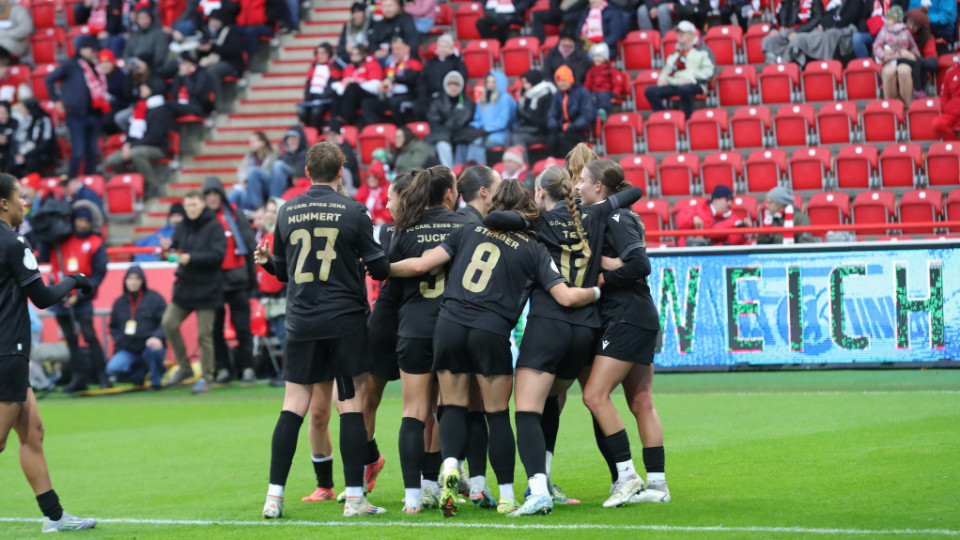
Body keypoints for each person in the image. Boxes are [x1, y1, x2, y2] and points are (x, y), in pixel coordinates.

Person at [388, 177, 601, 517]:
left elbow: (420, 265)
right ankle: (505, 495)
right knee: (497, 414)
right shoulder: (533, 246)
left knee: (452, 406)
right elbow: (564, 296)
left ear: (495, 204)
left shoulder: (467, 231)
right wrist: (596, 290)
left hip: (449, 324)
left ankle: (451, 464)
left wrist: (375, 267)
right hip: (490, 330)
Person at [481, 164, 642, 514]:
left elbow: (494, 220)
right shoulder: (594, 215)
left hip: (549, 323)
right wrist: (603, 203)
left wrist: (526, 215)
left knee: (526, 409)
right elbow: (635, 192)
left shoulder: (538, 221)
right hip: (585, 330)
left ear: (541, 193)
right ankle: (557, 479)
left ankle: (538, 489)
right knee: (552, 399)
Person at [255, 141, 391, 519]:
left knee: (292, 406)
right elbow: (380, 269)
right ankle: (354, 499)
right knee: (351, 406)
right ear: (341, 171)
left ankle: (273, 499)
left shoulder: (287, 210)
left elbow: (283, 273)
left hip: (301, 321)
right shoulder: (354, 210)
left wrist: (265, 263)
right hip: (345, 321)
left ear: (307, 173)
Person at [0, 173, 98, 533]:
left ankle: (55, 517)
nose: (25, 204)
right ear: (3, 204)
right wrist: (76, 280)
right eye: (20, 197)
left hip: (7, 352)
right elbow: (41, 298)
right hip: (8, 350)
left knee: (33, 433)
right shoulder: (13, 243)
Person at [575, 160, 667, 508]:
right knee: (641, 401)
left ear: (599, 186)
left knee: (594, 395)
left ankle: (627, 476)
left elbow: (641, 265)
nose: (577, 187)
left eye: (582, 180)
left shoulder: (615, 217)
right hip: (639, 315)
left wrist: (604, 275)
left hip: (627, 316)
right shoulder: (614, 215)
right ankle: (657, 484)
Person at [388, 166, 473, 513]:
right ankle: (447, 477)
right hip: (454, 326)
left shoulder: (404, 229)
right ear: (449, 193)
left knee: (414, 412)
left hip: (414, 327)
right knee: (451, 407)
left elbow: (392, 285)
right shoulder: (466, 226)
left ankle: (413, 497)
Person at [161, 190, 227, 393]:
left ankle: (206, 378)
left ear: (202, 204)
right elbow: (175, 252)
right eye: (188, 205)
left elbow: (218, 255)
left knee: (204, 336)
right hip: (185, 287)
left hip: (208, 288)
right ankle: (185, 368)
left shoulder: (215, 226)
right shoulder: (181, 226)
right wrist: (167, 251)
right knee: (168, 323)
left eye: (194, 205)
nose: (191, 209)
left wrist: (191, 258)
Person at [40, 207, 109, 393]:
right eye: (79, 220)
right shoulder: (59, 240)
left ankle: (102, 375)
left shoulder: (95, 243)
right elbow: (43, 255)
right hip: (60, 296)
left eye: (86, 221)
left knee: (89, 336)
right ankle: (78, 377)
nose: (82, 224)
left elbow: (99, 274)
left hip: (83, 298)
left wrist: (79, 296)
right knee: (70, 339)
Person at [203, 177, 257, 385]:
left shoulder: (234, 213)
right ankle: (224, 368)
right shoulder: (203, 218)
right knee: (215, 329)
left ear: (221, 195)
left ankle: (247, 367)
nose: (212, 198)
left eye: (215, 193)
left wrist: (252, 279)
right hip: (213, 282)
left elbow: (249, 245)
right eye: (209, 194)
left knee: (242, 327)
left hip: (237, 280)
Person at [46, 36, 112, 177]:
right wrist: (56, 100)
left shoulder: (96, 66)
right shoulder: (70, 64)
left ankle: (90, 179)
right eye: (92, 50)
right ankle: (72, 179)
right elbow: (49, 79)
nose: (95, 53)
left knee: (92, 151)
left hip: (95, 114)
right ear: (82, 49)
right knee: (78, 151)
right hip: (76, 115)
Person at [106, 265, 168, 388]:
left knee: (155, 349)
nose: (133, 282)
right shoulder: (119, 302)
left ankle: (155, 383)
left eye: (137, 278)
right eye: (130, 278)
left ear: (142, 280)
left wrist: (157, 337)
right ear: (125, 281)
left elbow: (166, 322)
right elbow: (113, 326)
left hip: (149, 346)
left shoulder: (155, 298)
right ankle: (140, 375)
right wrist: (119, 340)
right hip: (129, 350)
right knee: (112, 368)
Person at [105, 78, 172, 191]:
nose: (141, 88)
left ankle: (153, 187)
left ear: (152, 89)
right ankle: (135, 183)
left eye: (144, 86)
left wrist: (131, 146)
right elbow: (132, 131)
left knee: (136, 153)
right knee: (112, 160)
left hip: (157, 148)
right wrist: (127, 144)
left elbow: (155, 137)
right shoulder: (141, 107)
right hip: (137, 145)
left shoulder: (161, 109)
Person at [645, 21, 714, 119]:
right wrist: (662, 79)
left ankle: (688, 118)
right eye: (678, 32)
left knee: (684, 89)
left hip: (695, 84)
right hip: (675, 83)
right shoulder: (675, 53)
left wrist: (692, 78)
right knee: (650, 91)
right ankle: (665, 117)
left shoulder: (702, 50)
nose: (680, 34)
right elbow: (666, 70)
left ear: (692, 35)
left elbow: (709, 71)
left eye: (683, 32)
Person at [363, 37, 423, 126]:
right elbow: (385, 80)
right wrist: (383, 88)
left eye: (398, 49)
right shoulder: (390, 66)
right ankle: (375, 129)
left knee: (395, 102)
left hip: (408, 95)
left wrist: (394, 79)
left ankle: (400, 129)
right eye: (393, 49)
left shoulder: (413, 63)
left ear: (407, 49)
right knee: (368, 103)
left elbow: (411, 78)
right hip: (390, 95)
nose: (395, 52)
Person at [231, 132, 292, 211]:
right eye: (250, 142)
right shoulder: (249, 157)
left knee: (252, 171)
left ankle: (260, 208)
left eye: (254, 141)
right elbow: (242, 170)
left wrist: (252, 177)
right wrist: (245, 180)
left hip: (269, 185)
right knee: (234, 194)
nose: (251, 144)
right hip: (253, 188)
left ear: (263, 142)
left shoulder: (273, 155)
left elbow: (273, 175)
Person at [674, 185, 749, 246]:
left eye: (731, 201)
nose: (730, 203)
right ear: (716, 200)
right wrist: (693, 218)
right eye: (727, 200)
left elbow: (731, 242)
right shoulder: (698, 208)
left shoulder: (734, 219)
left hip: (714, 253)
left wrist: (743, 234)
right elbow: (680, 221)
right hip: (688, 250)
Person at [466, 71, 516, 164]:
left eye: (493, 81)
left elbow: (503, 122)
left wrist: (485, 129)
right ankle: (466, 168)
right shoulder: (482, 100)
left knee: (476, 143)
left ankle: (479, 170)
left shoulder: (505, 99)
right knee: (467, 141)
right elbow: (478, 120)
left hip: (500, 134)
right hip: (483, 133)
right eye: (488, 81)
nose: (490, 84)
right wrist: (473, 127)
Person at [427, 71, 475, 168]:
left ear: (461, 87)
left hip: (460, 137)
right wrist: (448, 133)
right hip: (443, 137)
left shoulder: (466, 102)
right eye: (450, 84)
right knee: (443, 145)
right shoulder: (438, 102)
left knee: (464, 144)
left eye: (456, 85)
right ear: (446, 85)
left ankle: (460, 171)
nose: (453, 88)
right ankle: (449, 173)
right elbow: (434, 123)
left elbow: (465, 121)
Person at [504, 70, 555, 160]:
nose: (524, 85)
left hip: (542, 132)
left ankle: (522, 165)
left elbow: (544, 122)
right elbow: (521, 118)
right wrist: (521, 104)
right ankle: (509, 164)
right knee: (508, 137)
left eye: (526, 82)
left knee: (517, 137)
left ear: (533, 81)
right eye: (523, 83)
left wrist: (526, 113)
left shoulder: (547, 96)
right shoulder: (528, 95)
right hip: (530, 130)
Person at [875, 6, 920, 106]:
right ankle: (891, 105)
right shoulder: (883, 31)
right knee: (888, 72)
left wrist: (915, 57)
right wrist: (883, 55)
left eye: (890, 19)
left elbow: (913, 47)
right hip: (890, 60)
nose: (887, 21)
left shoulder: (906, 32)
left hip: (904, 59)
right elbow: (876, 46)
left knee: (904, 71)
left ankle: (909, 104)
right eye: (887, 18)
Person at [547, 65, 596, 159]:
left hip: (579, 130)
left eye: (564, 80)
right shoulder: (557, 95)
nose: (561, 83)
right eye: (559, 81)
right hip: (562, 128)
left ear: (570, 80)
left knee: (566, 139)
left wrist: (573, 126)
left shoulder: (583, 93)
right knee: (552, 138)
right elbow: (552, 114)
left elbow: (588, 115)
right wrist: (555, 125)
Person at [417, 34, 468, 119]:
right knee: (418, 106)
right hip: (431, 96)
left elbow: (461, 82)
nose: (442, 49)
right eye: (440, 46)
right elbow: (422, 81)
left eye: (445, 46)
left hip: (449, 97)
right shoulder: (430, 63)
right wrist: (423, 94)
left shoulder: (458, 63)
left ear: (451, 48)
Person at [331, 46, 383, 126]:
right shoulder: (349, 68)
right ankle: (333, 122)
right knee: (337, 91)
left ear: (364, 55)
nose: (354, 57)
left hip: (369, 95)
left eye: (357, 54)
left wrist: (357, 83)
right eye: (352, 55)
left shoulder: (372, 65)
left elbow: (376, 85)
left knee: (352, 87)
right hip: (353, 96)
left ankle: (347, 117)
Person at [762, 0, 824, 64]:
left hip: (807, 32)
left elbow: (817, 19)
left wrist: (797, 31)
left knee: (796, 40)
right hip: (788, 32)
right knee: (769, 40)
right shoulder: (785, 2)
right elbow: (777, 18)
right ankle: (772, 66)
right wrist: (773, 28)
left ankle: (787, 64)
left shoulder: (814, 1)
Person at [197, 9, 245, 87]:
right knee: (198, 70)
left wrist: (213, 47)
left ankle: (216, 94)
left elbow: (234, 50)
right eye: (212, 20)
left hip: (231, 63)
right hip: (215, 61)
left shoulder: (230, 32)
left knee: (212, 71)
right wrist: (203, 49)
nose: (213, 23)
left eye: (216, 20)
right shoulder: (209, 33)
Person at [298, 43, 341, 130]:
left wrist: (321, 97)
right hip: (312, 98)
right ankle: (309, 131)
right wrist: (308, 95)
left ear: (329, 54)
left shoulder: (334, 66)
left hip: (326, 99)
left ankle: (315, 131)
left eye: (323, 53)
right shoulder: (313, 67)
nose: (320, 56)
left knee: (316, 111)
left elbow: (334, 85)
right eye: (318, 53)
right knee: (302, 111)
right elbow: (308, 84)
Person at [583, 42, 629, 122]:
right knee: (589, 98)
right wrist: (585, 93)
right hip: (594, 92)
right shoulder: (591, 71)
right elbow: (587, 84)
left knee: (603, 95)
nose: (597, 58)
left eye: (599, 56)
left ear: (605, 58)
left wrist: (615, 93)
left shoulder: (611, 70)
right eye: (595, 56)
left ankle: (602, 111)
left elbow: (618, 83)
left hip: (607, 93)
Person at [9, 98, 56, 178]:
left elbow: (46, 143)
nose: (20, 110)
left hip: (39, 153)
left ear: (29, 108)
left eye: (22, 108)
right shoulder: (26, 120)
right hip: (24, 152)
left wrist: (26, 156)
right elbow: (16, 139)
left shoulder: (44, 120)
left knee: (31, 162)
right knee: (9, 159)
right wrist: (16, 153)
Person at [169, 52, 217, 118]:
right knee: (162, 109)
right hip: (180, 105)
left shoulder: (200, 74)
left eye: (184, 64)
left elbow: (195, 92)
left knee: (166, 106)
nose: (181, 67)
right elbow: (174, 94)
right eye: (180, 64)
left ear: (191, 64)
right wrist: (178, 79)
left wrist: (186, 76)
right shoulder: (179, 75)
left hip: (197, 106)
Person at [906, 8, 938, 97]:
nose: (911, 27)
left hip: (919, 74)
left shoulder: (927, 38)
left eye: (915, 25)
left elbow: (933, 63)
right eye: (909, 22)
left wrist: (914, 58)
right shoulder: (897, 32)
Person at [322, 120, 359, 193]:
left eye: (332, 135)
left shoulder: (346, 147)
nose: (330, 138)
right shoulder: (325, 148)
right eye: (328, 135)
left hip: (347, 184)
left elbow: (346, 167)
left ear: (338, 135)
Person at [355, 161, 392, 225]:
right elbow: (357, 208)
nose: (371, 179)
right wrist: (373, 219)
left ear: (380, 177)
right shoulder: (363, 190)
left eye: (374, 176)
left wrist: (381, 219)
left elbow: (390, 210)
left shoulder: (388, 190)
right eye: (368, 177)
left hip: (382, 224)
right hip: (365, 221)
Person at [933, 57, 960, 140]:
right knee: (937, 123)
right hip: (952, 114)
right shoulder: (950, 72)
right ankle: (956, 144)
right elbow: (944, 95)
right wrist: (947, 109)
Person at [0, 100, 16, 171]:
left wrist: (7, 141)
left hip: (11, 154)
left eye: (4, 112)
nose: (2, 115)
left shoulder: (15, 123)